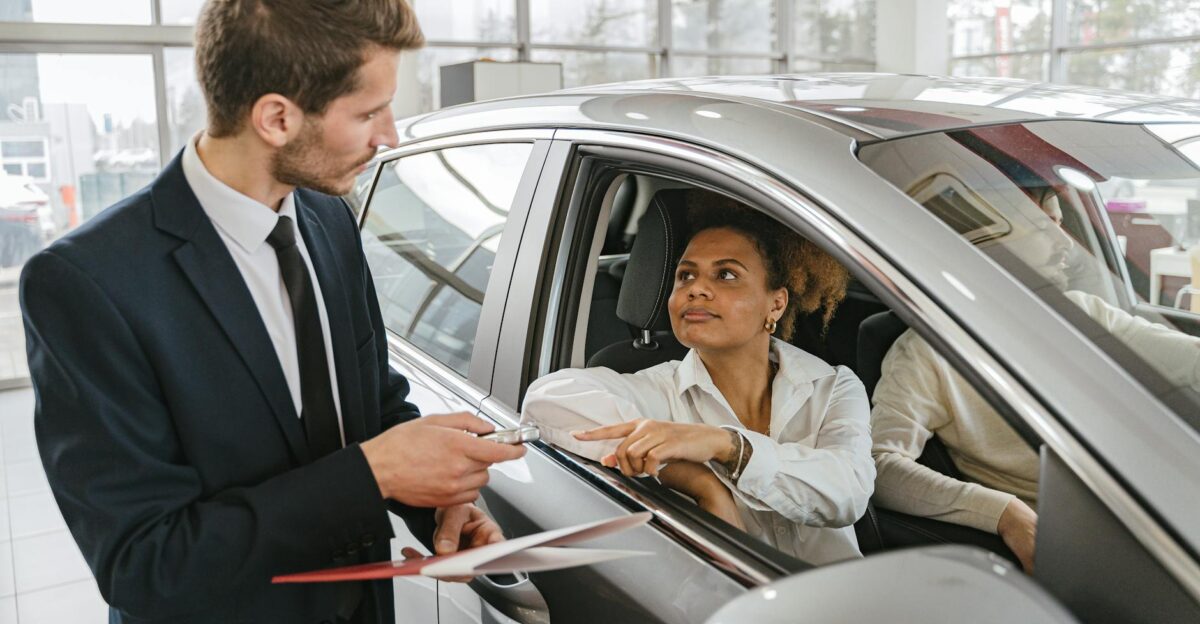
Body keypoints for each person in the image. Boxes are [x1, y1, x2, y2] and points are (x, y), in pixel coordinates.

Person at [18, 2, 525, 622]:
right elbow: (143, 563)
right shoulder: (88, 283)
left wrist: (432, 498)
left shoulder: (329, 219)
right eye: (369, 112)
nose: (389, 134)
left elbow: (372, 406)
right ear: (277, 118)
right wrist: (371, 477)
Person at [522, 192, 875, 565]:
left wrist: (727, 447)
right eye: (685, 275)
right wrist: (698, 480)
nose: (696, 288)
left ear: (776, 303)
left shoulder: (833, 385)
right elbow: (545, 401)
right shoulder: (657, 392)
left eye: (726, 275)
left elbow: (848, 492)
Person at [870, 189, 1200, 574]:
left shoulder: (1084, 313)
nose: (1066, 243)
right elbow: (880, 467)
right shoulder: (925, 353)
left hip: (1167, 504)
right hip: (1099, 543)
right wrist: (1004, 513)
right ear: (992, 239)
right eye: (1045, 226)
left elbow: (1191, 361)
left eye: (1059, 223)